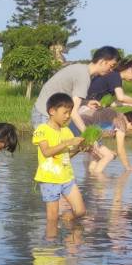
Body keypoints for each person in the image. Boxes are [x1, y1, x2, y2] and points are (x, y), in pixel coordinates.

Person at [31, 46, 121, 134]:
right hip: (45, 115)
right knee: (52, 147)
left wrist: (86, 103)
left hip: (47, 112)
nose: (111, 70)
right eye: (111, 65)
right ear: (102, 62)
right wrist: (88, 135)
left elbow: (67, 95)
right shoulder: (84, 76)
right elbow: (74, 113)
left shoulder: (82, 70)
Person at [33, 92, 88, 228]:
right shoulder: (42, 130)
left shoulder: (66, 131)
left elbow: (66, 156)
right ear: (52, 111)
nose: (68, 116)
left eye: (70, 112)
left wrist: (79, 149)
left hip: (67, 178)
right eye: (65, 112)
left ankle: (67, 227)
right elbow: (46, 152)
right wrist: (67, 142)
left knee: (80, 211)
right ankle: (52, 244)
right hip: (50, 180)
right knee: (52, 220)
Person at [80, 104, 132, 175]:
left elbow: (98, 131)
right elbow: (120, 148)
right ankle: (96, 177)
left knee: (98, 156)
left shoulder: (118, 115)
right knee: (109, 155)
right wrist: (128, 167)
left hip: (83, 127)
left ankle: (90, 177)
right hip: (84, 130)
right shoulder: (121, 124)